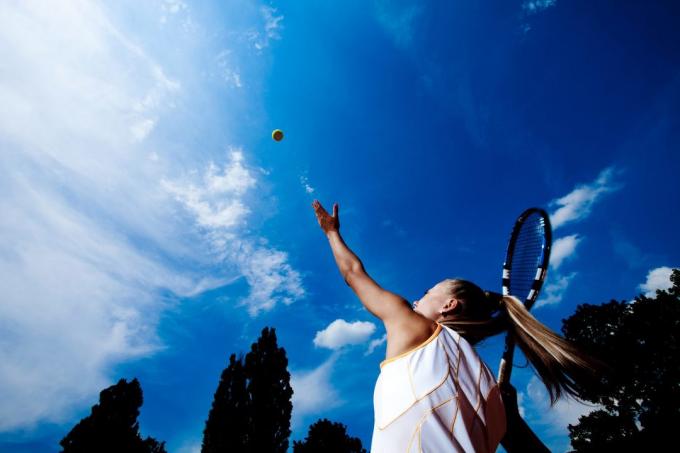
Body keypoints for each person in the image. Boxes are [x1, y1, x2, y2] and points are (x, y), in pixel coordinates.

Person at [311, 200, 602, 452]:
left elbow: (352, 272)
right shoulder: (493, 393)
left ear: (448, 305)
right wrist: (511, 420)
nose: (416, 299)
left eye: (426, 292)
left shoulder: (414, 329)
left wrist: (331, 233)